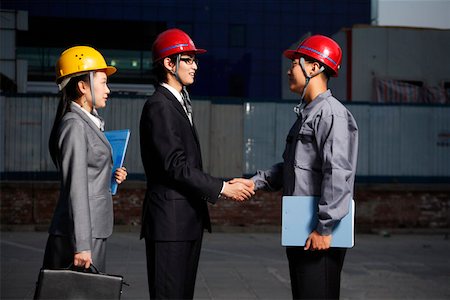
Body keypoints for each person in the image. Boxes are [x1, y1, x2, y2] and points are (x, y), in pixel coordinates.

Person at [233, 35, 359, 299]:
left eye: (295, 63)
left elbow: (337, 173)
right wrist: (254, 182)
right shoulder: (309, 113)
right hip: (304, 228)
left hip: (319, 233)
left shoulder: (331, 114)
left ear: (314, 67)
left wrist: (325, 228)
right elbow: (294, 167)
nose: (289, 69)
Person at [139, 28, 254, 299]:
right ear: (169, 63)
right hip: (170, 225)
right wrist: (222, 187)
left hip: (185, 222)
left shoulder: (179, 102)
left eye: (195, 60)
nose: (195, 66)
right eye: (188, 59)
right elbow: (175, 166)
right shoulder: (159, 105)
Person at [41, 46, 128, 273]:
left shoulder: (88, 122)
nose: (108, 90)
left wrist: (110, 175)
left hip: (91, 231)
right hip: (80, 235)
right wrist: (82, 246)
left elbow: (87, 176)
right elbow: (76, 188)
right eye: (102, 82)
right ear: (82, 86)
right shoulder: (74, 125)